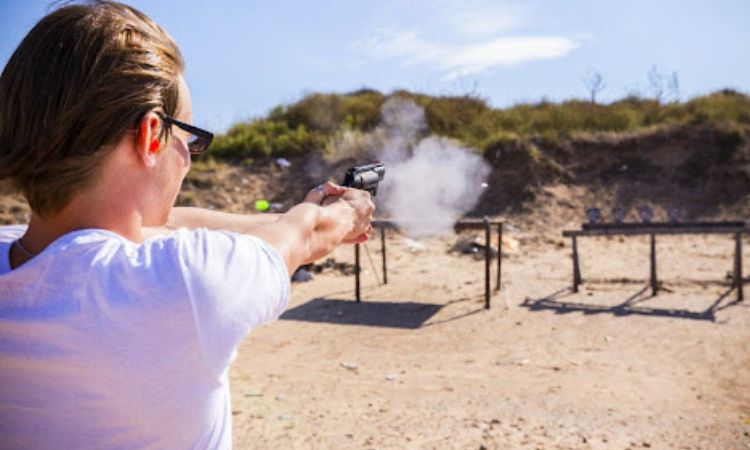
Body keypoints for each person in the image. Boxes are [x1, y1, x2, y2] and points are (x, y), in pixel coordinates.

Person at [0, 2, 374, 448]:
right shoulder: (182, 283)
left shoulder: (20, 254)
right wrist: (345, 212)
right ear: (150, 134)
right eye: (188, 140)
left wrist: (286, 215)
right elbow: (309, 234)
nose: (187, 160)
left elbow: (164, 225)